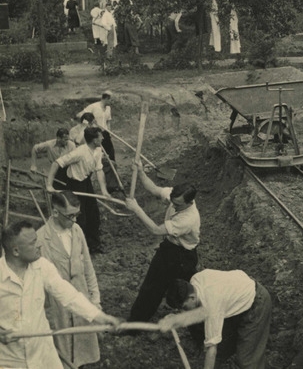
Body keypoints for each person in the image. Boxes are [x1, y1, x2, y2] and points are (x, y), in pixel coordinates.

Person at [0, 220, 120, 369]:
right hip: (10, 361)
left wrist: (101, 317)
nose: (39, 245)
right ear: (16, 251)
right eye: (32, 243)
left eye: (36, 240)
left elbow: (69, 295)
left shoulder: (42, 266)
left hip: (44, 355)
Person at [125, 162, 200, 322]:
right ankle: (135, 324)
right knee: (151, 287)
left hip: (183, 257)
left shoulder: (188, 219)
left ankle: (193, 322)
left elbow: (156, 230)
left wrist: (137, 209)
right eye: (172, 201)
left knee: (186, 292)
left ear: (189, 202)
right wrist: (140, 173)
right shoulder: (176, 197)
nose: (173, 205)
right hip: (169, 249)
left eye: (177, 205)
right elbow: (153, 189)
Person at [37, 191, 101, 368]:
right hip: (58, 309)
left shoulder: (77, 231)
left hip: (81, 302)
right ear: (55, 212)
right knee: (62, 356)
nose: (74, 220)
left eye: (77, 215)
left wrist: (95, 299)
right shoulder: (41, 239)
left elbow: (88, 267)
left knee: (85, 351)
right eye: (70, 216)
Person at [159, 269, 272, 369]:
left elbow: (211, 350)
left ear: (192, 297)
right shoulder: (196, 280)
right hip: (235, 296)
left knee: (246, 360)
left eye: (184, 307)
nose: (184, 311)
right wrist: (177, 319)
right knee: (220, 349)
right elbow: (201, 313)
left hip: (256, 303)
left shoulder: (212, 305)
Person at [46, 127, 110, 254]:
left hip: (86, 182)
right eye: (100, 136)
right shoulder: (79, 152)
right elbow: (56, 163)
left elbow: (99, 170)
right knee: (80, 218)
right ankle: (79, 249)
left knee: (94, 214)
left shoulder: (98, 150)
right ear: (94, 140)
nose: (102, 138)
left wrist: (104, 191)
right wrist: (49, 185)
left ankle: (93, 245)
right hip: (74, 184)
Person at [77, 91, 115, 161]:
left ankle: (111, 169)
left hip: (105, 133)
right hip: (96, 134)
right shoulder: (93, 106)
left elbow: (108, 121)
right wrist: (90, 122)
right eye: (111, 100)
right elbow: (79, 115)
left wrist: (109, 132)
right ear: (106, 98)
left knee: (111, 153)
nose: (112, 102)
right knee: (98, 153)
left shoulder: (108, 108)